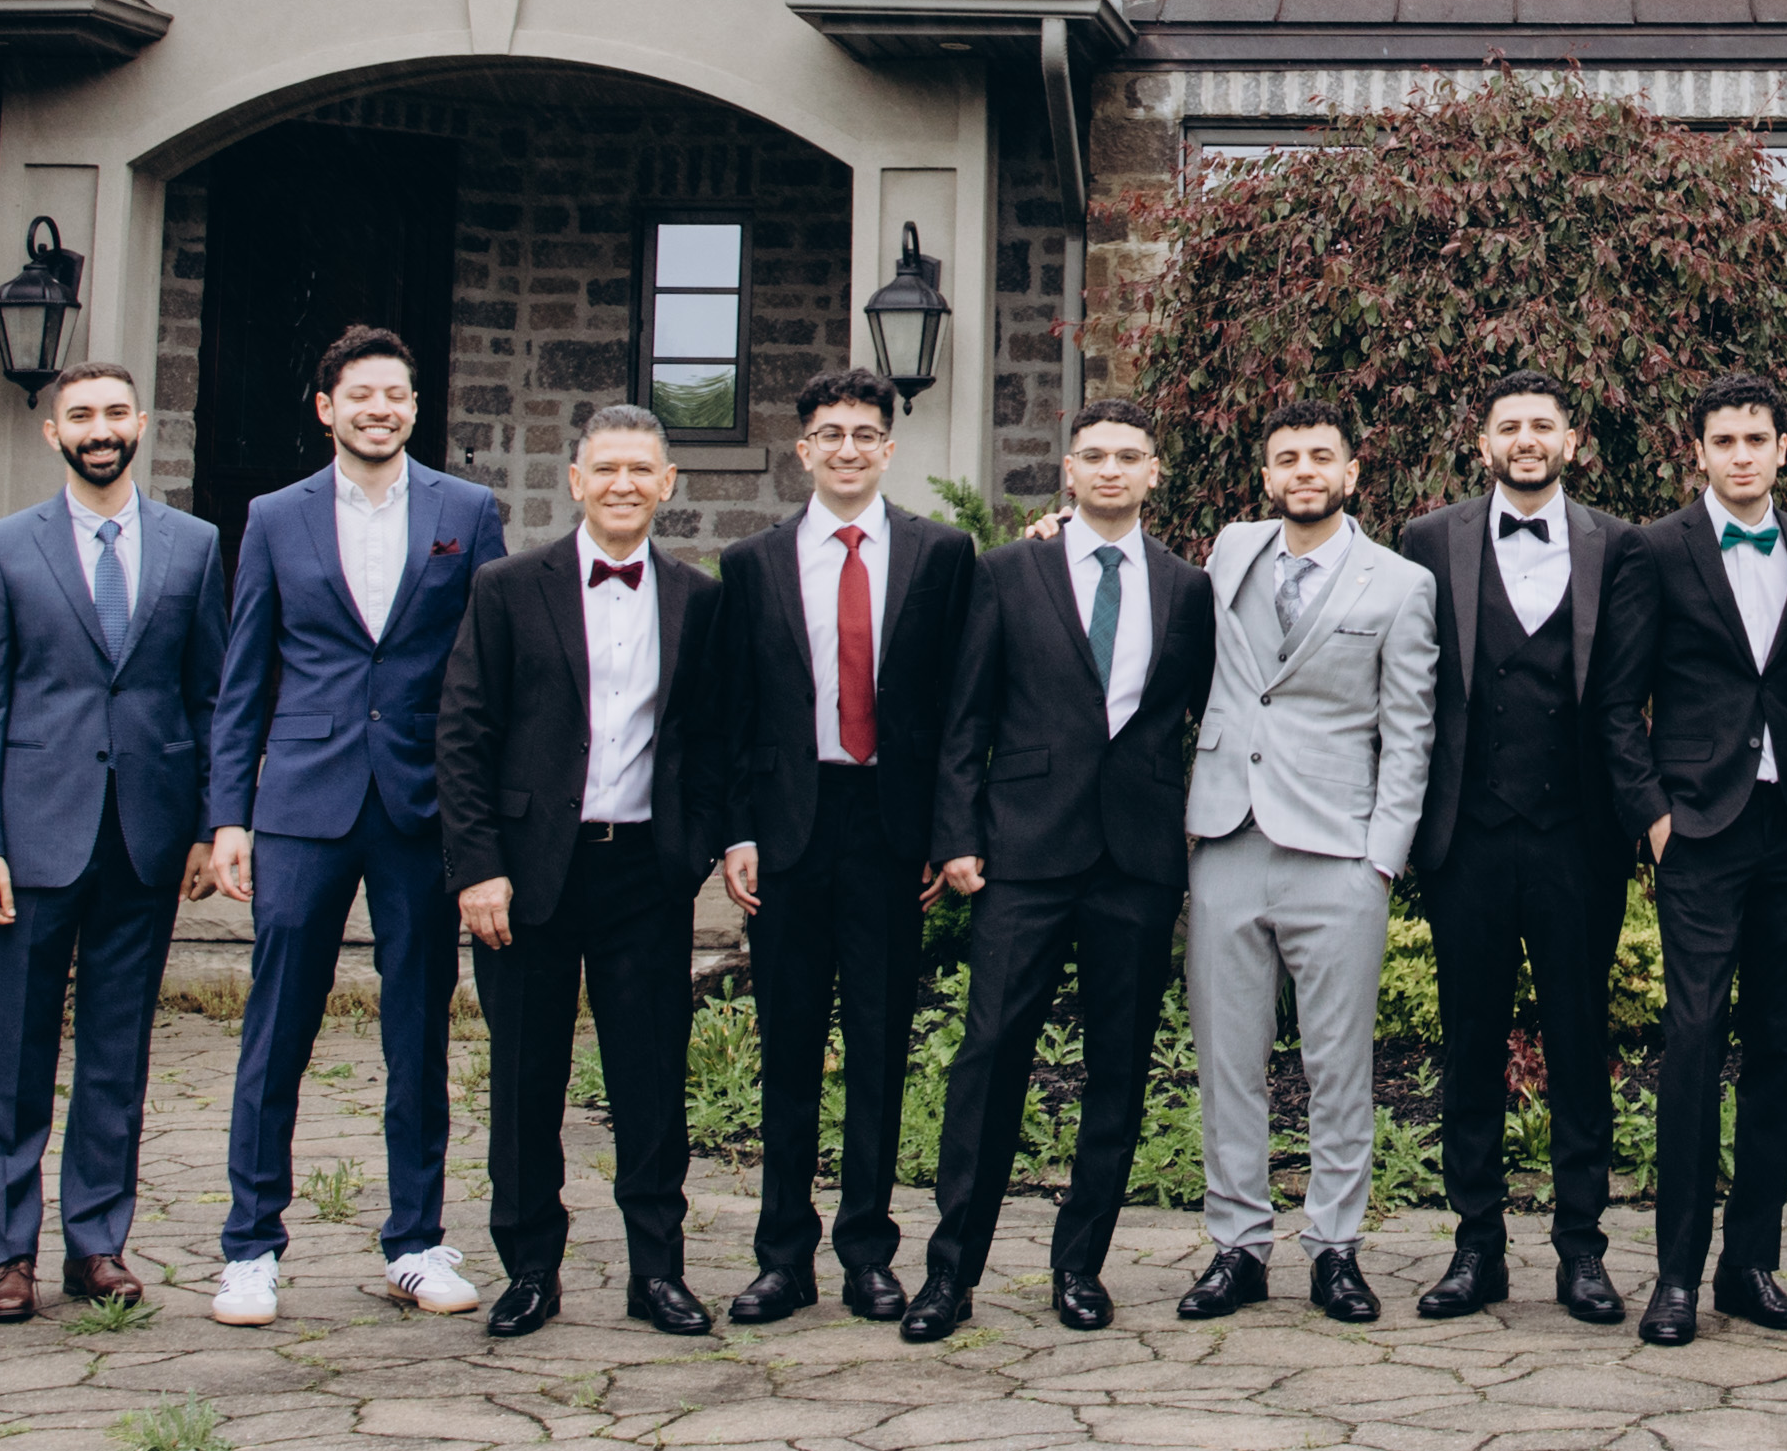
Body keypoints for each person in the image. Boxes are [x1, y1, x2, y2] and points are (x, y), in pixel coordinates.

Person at [204, 324, 508, 1328]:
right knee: (277, 1024)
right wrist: (229, 813)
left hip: (422, 802)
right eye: (361, 394)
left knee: (418, 1027)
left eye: (396, 394)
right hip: (303, 800)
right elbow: (244, 673)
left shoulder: (467, 511)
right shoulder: (273, 516)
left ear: (414, 407)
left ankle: (414, 1240)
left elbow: (488, 666)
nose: (380, 409)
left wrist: (484, 817)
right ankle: (251, 1246)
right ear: (326, 408)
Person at [907, 396, 1215, 1340]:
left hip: (1137, 859)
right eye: (1094, 455)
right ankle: (950, 1273)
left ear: (1154, 471)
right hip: (1024, 851)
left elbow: (1207, 716)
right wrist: (956, 834)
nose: (1111, 468)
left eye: (1129, 454)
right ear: (1068, 471)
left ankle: (1079, 1266)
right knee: (990, 1056)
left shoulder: (1189, 588)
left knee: (1118, 1068)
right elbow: (964, 716)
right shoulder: (1008, 572)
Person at [0, 358, 223, 1325]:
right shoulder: (3, 547)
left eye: (114, 412)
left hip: (146, 835)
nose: (99, 429)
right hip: (33, 835)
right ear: (52, 431)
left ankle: (96, 1243)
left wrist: (207, 824)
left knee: (117, 1049)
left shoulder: (194, 545)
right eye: (81, 415)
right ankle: (8, 1254)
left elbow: (209, 696)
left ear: (141, 422)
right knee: (16, 1051)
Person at [443, 403, 721, 1340]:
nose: (622, 484)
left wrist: (694, 851)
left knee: (651, 1079)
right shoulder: (506, 587)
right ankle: (530, 1269)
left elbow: (712, 738)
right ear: (575, 480)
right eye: (605, 468)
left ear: (667, 483)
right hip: (525, 877)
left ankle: (657, 1270)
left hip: (644, 869)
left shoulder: (698, 597)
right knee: (526, 1079)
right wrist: (478, 867)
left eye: (641, 468)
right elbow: (463, 732)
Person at [712, 368, 977, 1326]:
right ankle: (782, 1256)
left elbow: (959, 703)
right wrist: (737, 830)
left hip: (890, 827)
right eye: (831, 433)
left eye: (865, 433)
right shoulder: (753, 563)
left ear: (888, 449)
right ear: (804, 449)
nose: (848, 448)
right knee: (787, 1047)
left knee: (878, 1045)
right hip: (791, 824)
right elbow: (731, 709)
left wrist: (946, 830)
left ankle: (868, 1250)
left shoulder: (942, 554)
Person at [1596, 369, 1787, 1345]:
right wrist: (1652, 817)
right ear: (1698, 452)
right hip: (1699, 828)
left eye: (1757, 438)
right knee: (1695, 1038)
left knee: (1781, 1047)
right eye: (1724, 440)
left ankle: (1750, 1265)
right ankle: (1674, 1275)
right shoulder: (1654, 548)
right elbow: (1615, 701)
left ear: (1783, 449)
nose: (1741, 454)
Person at [1178, 400, 1438, 1324]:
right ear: (1266, 474)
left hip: (1339, 850)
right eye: (1286, 457)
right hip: (1227, 837)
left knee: (1338, 1064)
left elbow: (1409, 729)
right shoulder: (1229, 551)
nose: (1303, 471)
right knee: (1227, 1060)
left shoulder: (1400, 584)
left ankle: (1335, 1248)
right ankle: (1237, 1246)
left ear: (1351, 472)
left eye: (1320, 456)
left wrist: (1381, 858)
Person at [1394, 373, 1631, 1326]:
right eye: (1508, 426)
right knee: (1469, 1040)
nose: (1525, 439)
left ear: (1571, 441)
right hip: (1469, 838)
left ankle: (1583, 1249)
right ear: (1483, 441)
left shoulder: (1619, 543)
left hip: (1580, 838)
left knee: (1580, 1042)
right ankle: (1476, 1245)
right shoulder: (1427, 539)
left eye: (1542, 425)